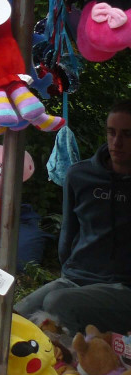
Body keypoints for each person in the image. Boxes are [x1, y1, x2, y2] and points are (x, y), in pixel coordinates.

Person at [15, 100, 131, 334]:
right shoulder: (80, 175)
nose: (116, 143)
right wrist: (70, 268)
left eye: (127, 135)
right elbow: (68, 232)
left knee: (58, 305)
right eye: (111, 133)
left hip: (121, 287)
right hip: (75, 277)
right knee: (15, 316)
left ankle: (72, 363)